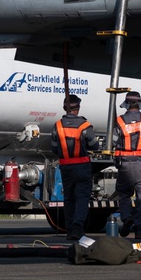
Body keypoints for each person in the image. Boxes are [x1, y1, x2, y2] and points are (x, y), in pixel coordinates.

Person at [50, 94, 99, 241]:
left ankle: (70, 229)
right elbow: (94, 146)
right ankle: (78, 228)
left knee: (69, 198)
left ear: (65, 108)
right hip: (82, 166)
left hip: (66, 168)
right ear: (78, 108)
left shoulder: (57, 126)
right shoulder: (85, 126)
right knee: (82, 198)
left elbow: (53, 149)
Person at [112, 91, 141, 240]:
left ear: (126, 103)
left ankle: (126, 218)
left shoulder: (119, 121)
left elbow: (113, 143)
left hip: (125, 166)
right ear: (139, 104)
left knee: (124, 195)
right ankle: (139, 229)